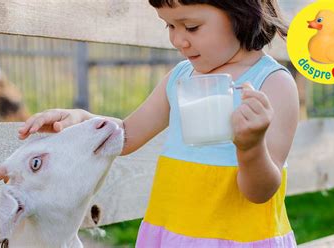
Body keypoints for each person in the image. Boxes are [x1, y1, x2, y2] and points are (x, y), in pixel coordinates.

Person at [18, 0, 299, 246]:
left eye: (191, 27)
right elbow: (125, 136)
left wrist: (251, 147)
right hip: (171, 235)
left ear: (241, 11)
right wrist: (80, 120)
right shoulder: (181, 77)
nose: (178, 40)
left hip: (239, 239)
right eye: (169, 26)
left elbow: (260, 192)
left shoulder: (272, 84)